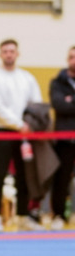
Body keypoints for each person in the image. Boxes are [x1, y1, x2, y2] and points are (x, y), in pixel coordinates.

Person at [0, 39, 42, 231]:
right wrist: (17, 124)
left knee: (24, 175)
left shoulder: (27, 78)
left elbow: (36, 103)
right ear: (0, 54)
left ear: (17, 53)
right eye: (5, 51)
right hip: (2, 130)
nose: (9, 54)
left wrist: (29, 124)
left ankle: (23, 215)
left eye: (12, 51)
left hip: (24, 132)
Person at [48, 46, 75, 230]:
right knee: (62, 178)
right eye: (72, 57)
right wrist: (65, 103)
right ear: (68, 59)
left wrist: (70, 101)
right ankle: (58, 214)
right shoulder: (57, 82)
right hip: (65, 138)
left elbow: (67, 105)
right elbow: (58, 105)